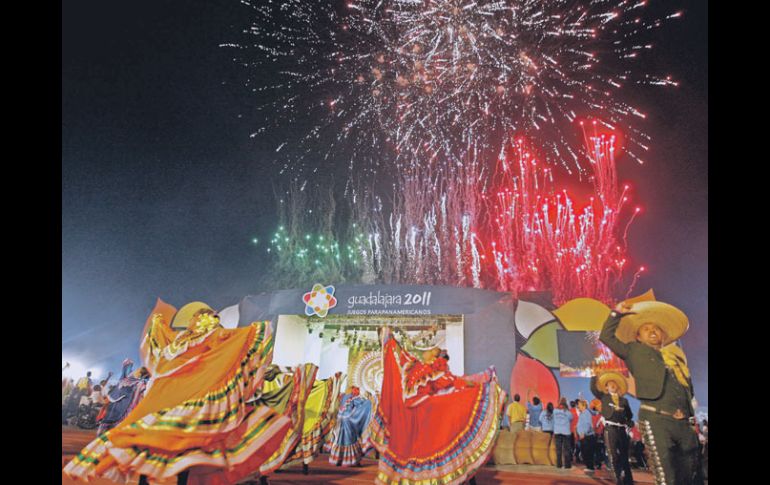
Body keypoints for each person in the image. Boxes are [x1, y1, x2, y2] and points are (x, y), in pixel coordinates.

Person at [64, 300, 294, 485]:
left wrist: (158, 320)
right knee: (186, 449)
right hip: (188, 403)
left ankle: (145, 481)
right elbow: (238, 341)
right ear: (209, 321)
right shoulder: (211, 337)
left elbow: (159, 336)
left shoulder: (175, 343)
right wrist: (259, 327)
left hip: (157, 405)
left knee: (148, 443)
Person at [369, 327, 506, 485]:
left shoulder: (435, 370)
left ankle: (464, 479)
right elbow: (401, 355)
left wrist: (483, 379)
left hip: (428, 415)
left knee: (437, 448)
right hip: (418, 414)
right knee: (417, 450)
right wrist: (390, 339)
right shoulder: (417, 367)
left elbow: (457, 382)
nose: (427, 351)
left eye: (432, 350)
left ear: (435, 356)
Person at [601, 300, 703, 485]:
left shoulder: (676, 359)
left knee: (691, 475)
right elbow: (606, 337)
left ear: (663, 335)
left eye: (656, 328)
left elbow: (688, 390)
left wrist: (688, 415)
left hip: (684, 425)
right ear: (638, 336)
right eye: (646, 329)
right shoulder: (634, 351)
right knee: (666, 477)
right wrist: (616, 313)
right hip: (656, 420)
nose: (653, 331)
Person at [591, 371, 634, 485]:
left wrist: (628, 421)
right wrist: (593, 374)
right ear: (606, 387)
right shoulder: (604, 397)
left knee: (624, 456)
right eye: (610, 384)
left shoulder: (624, 401)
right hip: (610, 429)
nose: (613, 385)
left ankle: (629, 480)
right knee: (613, 455)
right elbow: (594, 389)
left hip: (622, 430)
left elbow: (629, 415)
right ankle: (618, 480)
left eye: (614, 384)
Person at [327, 385, 375, 467]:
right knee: (351, 440)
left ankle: (338, 460)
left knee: (341, 440)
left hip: (340, 420)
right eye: (357, 389)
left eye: (358, 390)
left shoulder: (344, 397)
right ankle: (352, 461)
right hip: (348, 421)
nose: (358, 391)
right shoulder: (355, 398)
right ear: (352, 390)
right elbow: (364, 406)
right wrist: (370, 401)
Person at [576, 399, 597, 473]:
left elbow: (588, 424)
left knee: (587, 452)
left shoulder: (586, 413)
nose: (578, 406)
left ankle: (590, 467)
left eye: (579, 405)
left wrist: (583, 433)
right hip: (583, 436)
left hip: (587, 436)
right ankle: (589, 466)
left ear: (583, 405)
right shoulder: (582, 413)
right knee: (585, 452)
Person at [553, 398, 574, 469]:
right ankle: (567, 465)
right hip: (566, 432)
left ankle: (559, 464)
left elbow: (553, 418)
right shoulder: (568, 412)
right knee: (566, 449)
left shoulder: (555, 411)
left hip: (557, 431)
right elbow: (571, 418)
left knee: (558, 449)